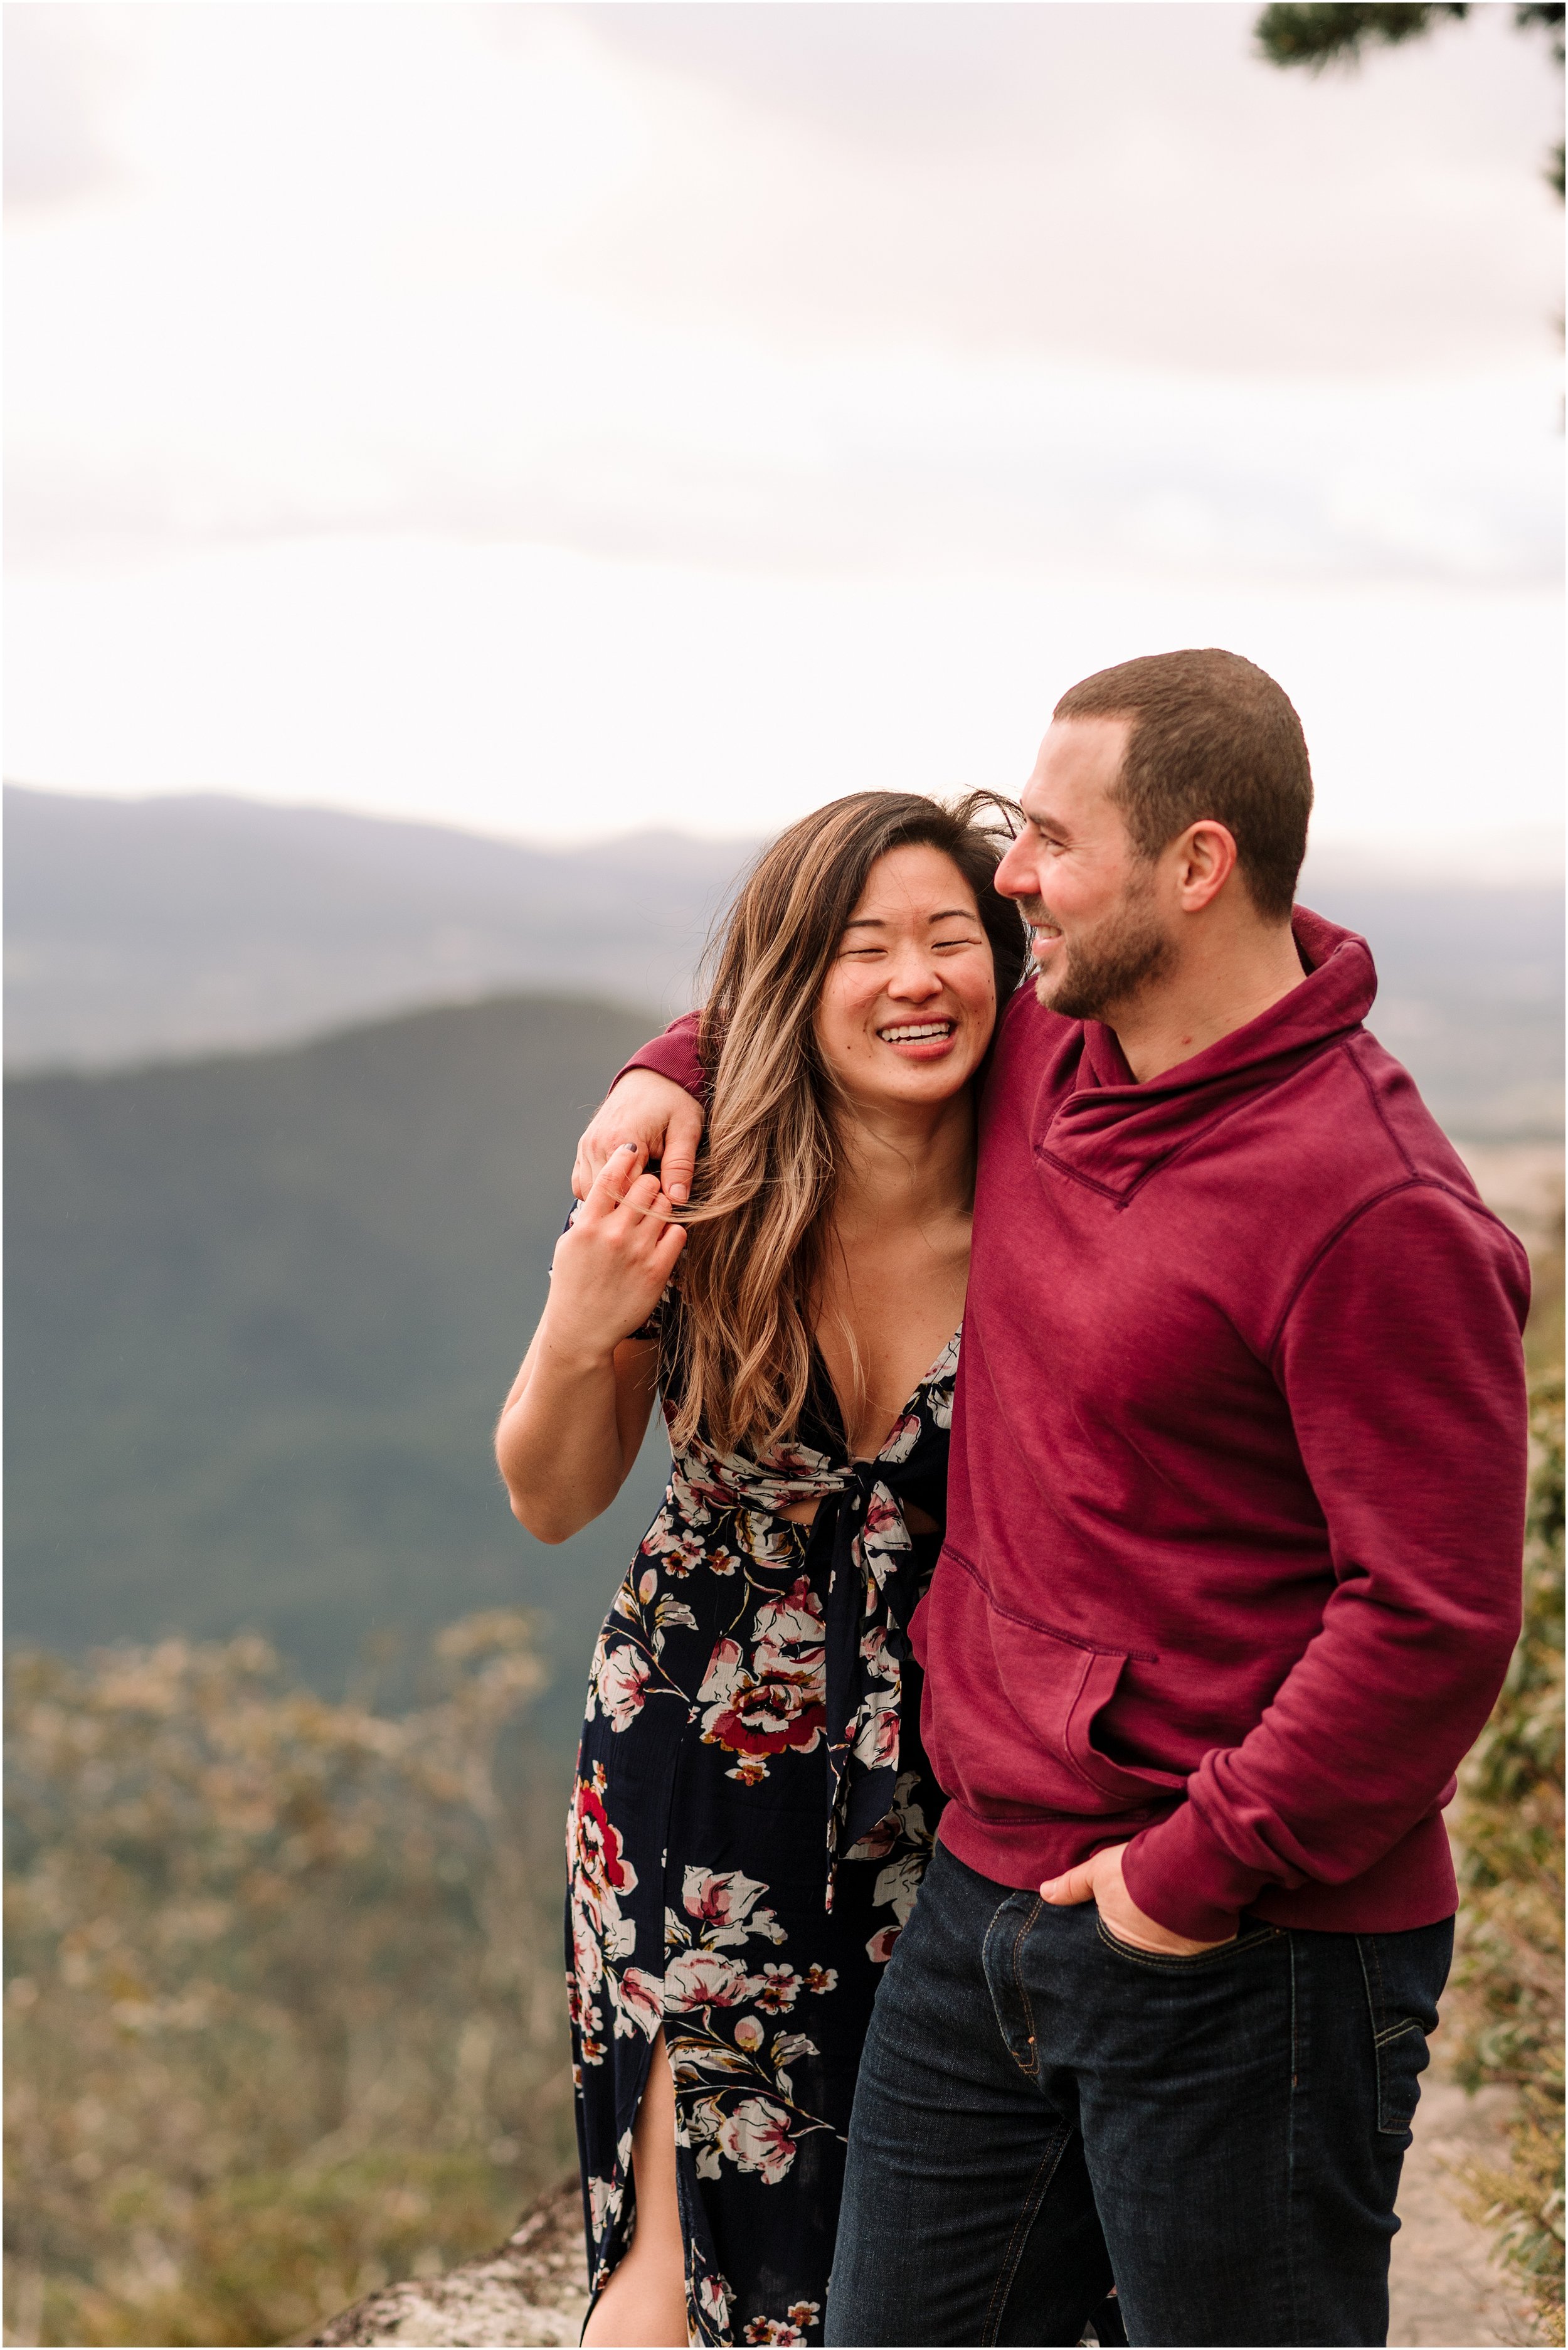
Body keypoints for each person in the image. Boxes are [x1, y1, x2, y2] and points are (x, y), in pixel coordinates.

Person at [573, 648, 1532, 2349]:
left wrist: (1193, 1873)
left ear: (1194, 867)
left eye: (1045, 839)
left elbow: (1435, 1618)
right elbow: (847, 996)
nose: (1005, 872)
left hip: (1247, 1942)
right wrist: (677, 1061)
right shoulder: (1052, 1058)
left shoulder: (1366, 1203)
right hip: (983, 1898)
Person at [495, 792, 1034, 2348]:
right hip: (697, 1766)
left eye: (950, 939)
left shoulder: (1051, 1208)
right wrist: (579, 1313)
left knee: (928, 2237)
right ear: (783, 992)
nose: (913, 979)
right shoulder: (706, 1198)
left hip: (961, 1776)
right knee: (686, 2235)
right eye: (862, 948)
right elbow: (550, 1494)